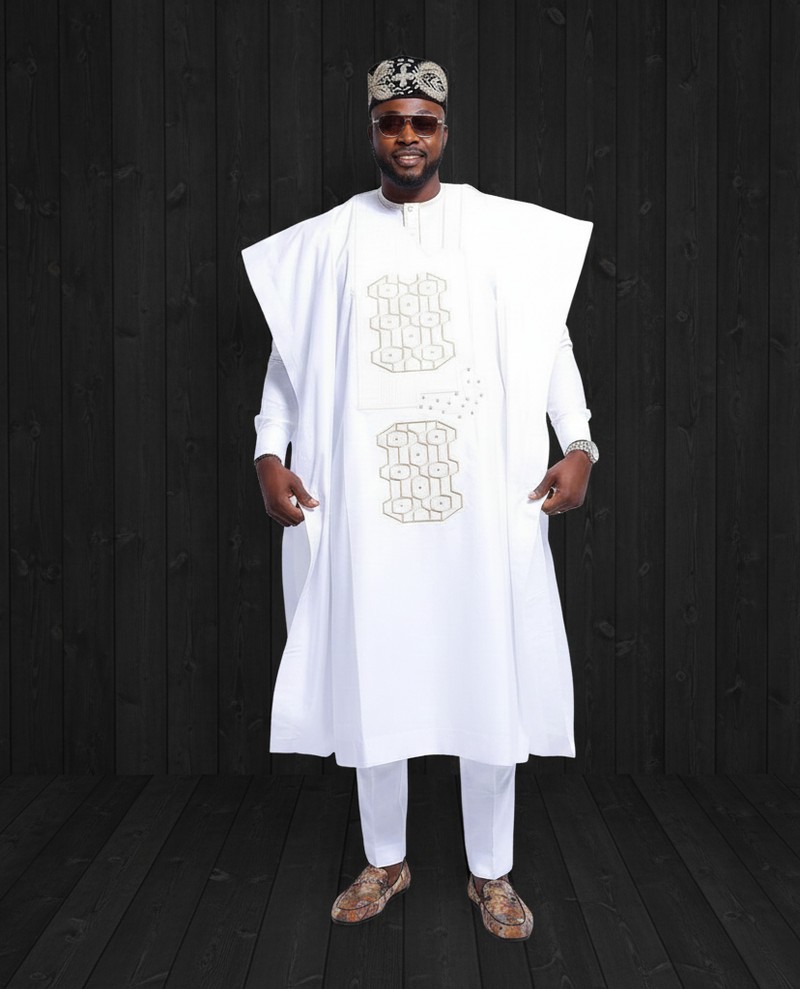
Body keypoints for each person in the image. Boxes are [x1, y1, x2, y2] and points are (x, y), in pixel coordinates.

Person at [241, 55, 598, 942]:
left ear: (445, 129)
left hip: (481, 495)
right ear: (373, 130)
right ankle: (385, 858)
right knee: (377, 666)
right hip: (368, 499)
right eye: (391, 122)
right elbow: (292, 354)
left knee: (487, 667)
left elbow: (546, 337)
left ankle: (492, 871)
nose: (407, 137)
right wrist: (269, 450)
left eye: (422, 122)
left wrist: (579, 440)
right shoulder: (332, 240)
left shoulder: (494, 228)